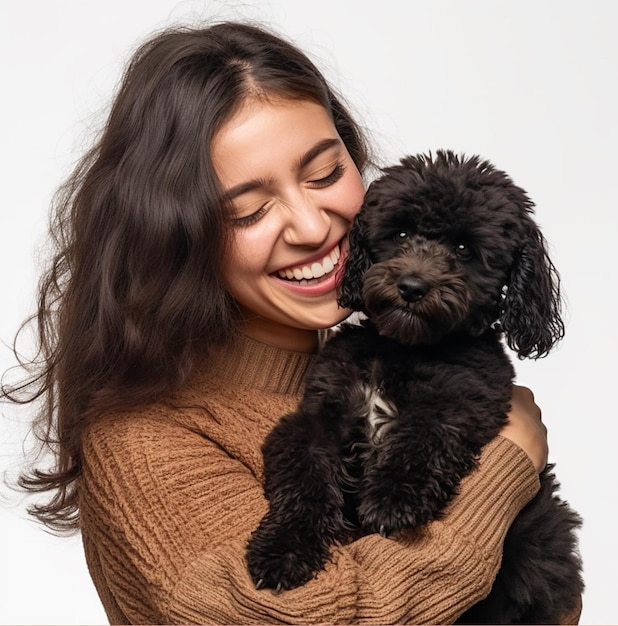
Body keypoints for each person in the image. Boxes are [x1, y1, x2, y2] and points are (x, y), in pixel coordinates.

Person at [4, 20, 580, 624]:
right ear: (177, 238)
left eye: (327, 174)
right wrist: (502, 472)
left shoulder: (376, 363)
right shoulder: (145, 443)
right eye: (249, 210)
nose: (311, 227)